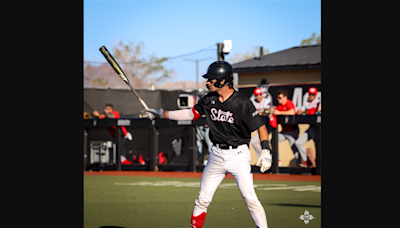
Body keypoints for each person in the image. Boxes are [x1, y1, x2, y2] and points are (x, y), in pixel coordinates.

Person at [146, 61, 272, 228]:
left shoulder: (241, 102)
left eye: (211, 79)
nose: (207, 82)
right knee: (202, 199)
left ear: (222, 81)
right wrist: (163, 114)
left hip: (239, 155)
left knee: (250, 198)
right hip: (216, 155)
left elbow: (261, 127)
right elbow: (191, 114)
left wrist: (266, 151)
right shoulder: (209, 99)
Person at [268, 88, 304, 167]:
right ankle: (278, 160)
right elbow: (274, 112)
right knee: (273, 141)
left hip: (292, 131)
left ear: (285, 97)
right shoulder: (279, 106)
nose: (278, 99)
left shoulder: (288, 103)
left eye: (280, 98)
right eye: (277, 98)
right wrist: (271, 114)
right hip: (284, 132)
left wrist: (280, 113)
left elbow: (292, 112)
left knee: (294, 148)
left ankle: (299, 165)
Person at [295, 87, 321, 167]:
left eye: (312, 94)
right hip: (310, 128)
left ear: (316, 95)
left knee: (318, 145)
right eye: (310, 94)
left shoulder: (318, 102)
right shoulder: (307, 103)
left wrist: (306, 111)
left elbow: (314, 112)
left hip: (317, 128)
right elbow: (299, 111)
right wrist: (307, 111)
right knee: (298, 142)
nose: (311, 96)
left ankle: (319, 164)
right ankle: (307, 160)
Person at [250, 88, 272, 161]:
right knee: (254, 142)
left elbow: (267, 111)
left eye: (260, 95)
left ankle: (268, 160)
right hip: (258, 126)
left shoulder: (266, 101)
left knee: (269, 143)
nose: (259, 97)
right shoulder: (252, 101)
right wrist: (259, 113)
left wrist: (258, 113)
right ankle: (263, 159)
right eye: (257, 95)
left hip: (268, 126)